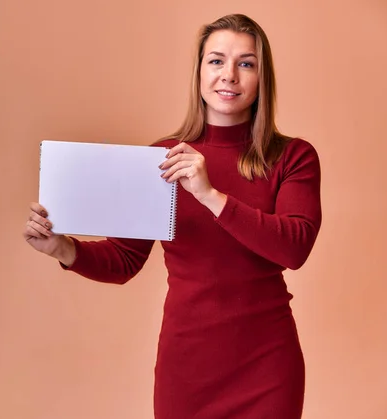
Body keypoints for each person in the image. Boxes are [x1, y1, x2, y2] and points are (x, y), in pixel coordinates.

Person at [24, 13, 322, 419]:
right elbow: (124, 261)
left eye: (245, 63)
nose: (229, 75)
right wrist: (61, 247)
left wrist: (210, 195)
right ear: (199, 72)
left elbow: (294, 247)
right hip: (188, 365)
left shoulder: (293, 156)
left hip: (267, 362)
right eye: (216, 61)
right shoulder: (162, 158)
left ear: (262, 77)